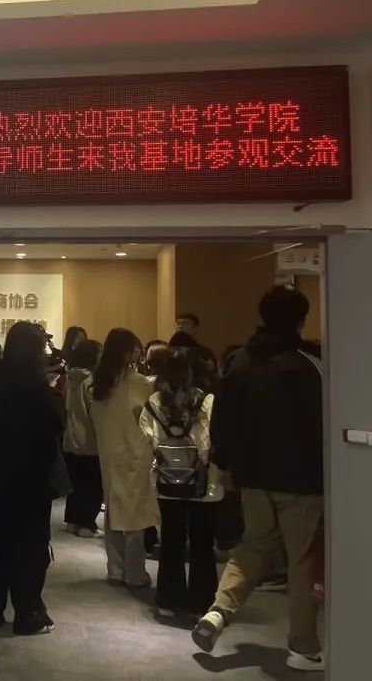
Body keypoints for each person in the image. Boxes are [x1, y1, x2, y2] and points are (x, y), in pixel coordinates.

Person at [192, 287, 326, 673]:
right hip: (304, 479)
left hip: (253, 476)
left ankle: (218, 612)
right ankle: (304, 648)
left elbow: (223, 417)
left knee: (252, 546)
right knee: (301, 562)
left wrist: (225, 463)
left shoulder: (241, 362)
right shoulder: (313, 363)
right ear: (301, 320)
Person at [0, 323, 62, 635]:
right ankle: (28, 613)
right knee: (31, 547)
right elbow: (52, 426)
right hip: (31, 477)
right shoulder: (35, 384)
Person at [140, 348, 223, 618]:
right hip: (203, 484)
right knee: (201, 542)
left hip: (167, 482)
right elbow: (210, 442)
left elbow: (146, 438)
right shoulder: (206, 401)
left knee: (171, 540)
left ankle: (168, 599)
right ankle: (201, 601)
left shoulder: (154, 402)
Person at [91, 329, 157, 589]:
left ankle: (115, 571)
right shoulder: (139, 383)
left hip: (109, 454)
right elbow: (146, 418)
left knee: (113, 513)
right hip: (135, 454)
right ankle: (135, 574)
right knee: (135, 517)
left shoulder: (98, 383)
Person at [62, 339, 104, 538]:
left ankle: (72, 521)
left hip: (71, 437)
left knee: (76, 484)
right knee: (92, 484)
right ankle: (87, 524)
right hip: (89, 439)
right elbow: (95, 410)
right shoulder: (90, 381)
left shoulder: (70, 377)